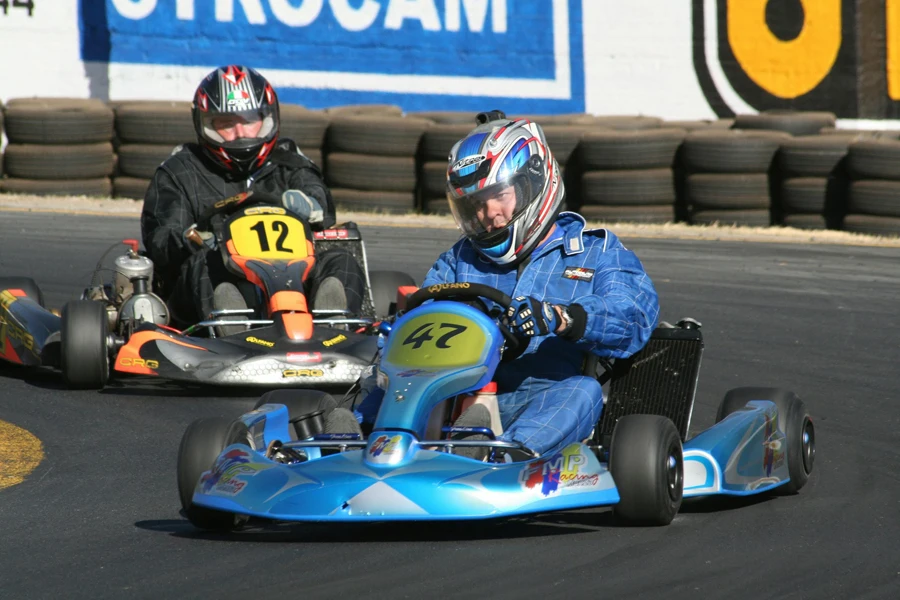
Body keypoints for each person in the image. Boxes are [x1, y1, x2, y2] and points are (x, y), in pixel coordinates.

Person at [357, 111, 660, 458]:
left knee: (582, 390)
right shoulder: (460, 259)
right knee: (388, 387)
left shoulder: (596, 252)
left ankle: (507, 458)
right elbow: (425, 315)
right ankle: (352, 443)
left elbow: (634, 315)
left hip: (539, 396)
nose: (489, 215)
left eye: (498, 196)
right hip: (449, 394)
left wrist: (564, 318)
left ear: (532, 182)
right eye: (475, 204)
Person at [141, 65, 365, 332]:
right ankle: (230, 328)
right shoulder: (180, 171)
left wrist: (310, 205)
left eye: (248, 121)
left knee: (340, 260)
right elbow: (161, 237)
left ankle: (333, 329)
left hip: (293, 279)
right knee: (207, 263)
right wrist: (192, 239)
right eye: (226, 124)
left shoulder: (290, 163)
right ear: (206, 125)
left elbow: (320, 203)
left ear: (267, 119)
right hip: (211, 282)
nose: (240, 133)